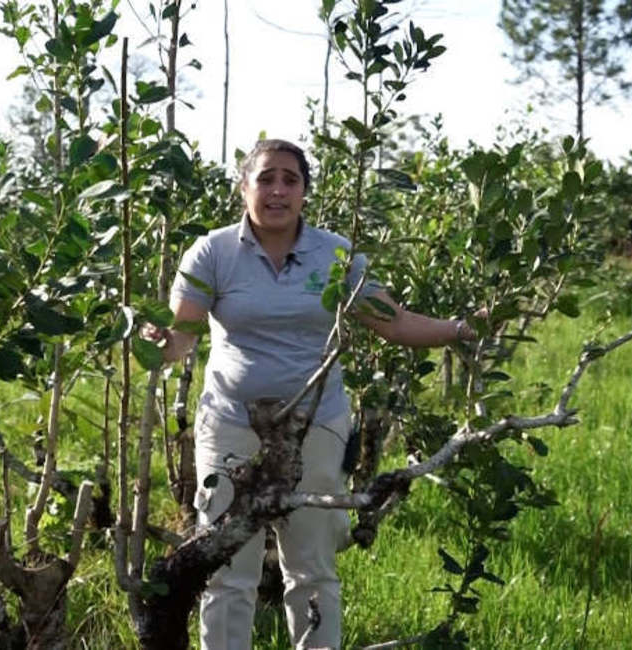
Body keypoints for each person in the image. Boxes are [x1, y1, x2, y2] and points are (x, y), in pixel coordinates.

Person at [150, 139, 477, 650]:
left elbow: (394, 324)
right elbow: (180, 338)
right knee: (226, 568)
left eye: (290, 179)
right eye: (265, 178)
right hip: (230, 422)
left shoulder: (336, 253)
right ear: (244, 188)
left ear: (305, 191)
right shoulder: (212, 251)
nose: (277, 190)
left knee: (311, 565)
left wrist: (460, 328)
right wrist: (154, 342)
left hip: (318, 424)